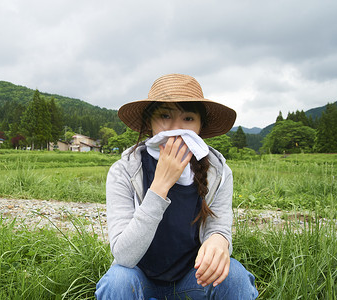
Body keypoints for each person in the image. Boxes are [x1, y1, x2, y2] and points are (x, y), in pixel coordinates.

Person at [95, 74, 258, 299]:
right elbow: (124, 256)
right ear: (149, 122)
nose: (176, 129)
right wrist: (161, 184)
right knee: (118, 281)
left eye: (188, 118)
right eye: (164, 115)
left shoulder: (217, 172)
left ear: (200, 126)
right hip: (139, 280)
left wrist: (220, 240)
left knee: (236, 275)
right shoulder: (124, 171)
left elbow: (218, 229)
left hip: (193, 280)